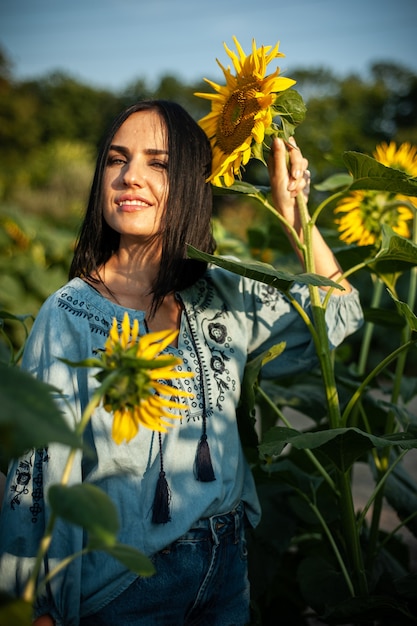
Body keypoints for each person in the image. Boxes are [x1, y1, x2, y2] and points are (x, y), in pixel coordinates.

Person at [0, 100, 363, 626]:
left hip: (225, 573)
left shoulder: (220, 292)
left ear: (194, 182)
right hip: (123, 584)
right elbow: (34, 476)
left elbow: (336, 316)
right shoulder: (70, 312)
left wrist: (294, 218)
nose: (130, 177)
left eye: (159, 163)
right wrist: (34, 605)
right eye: (116, 160)